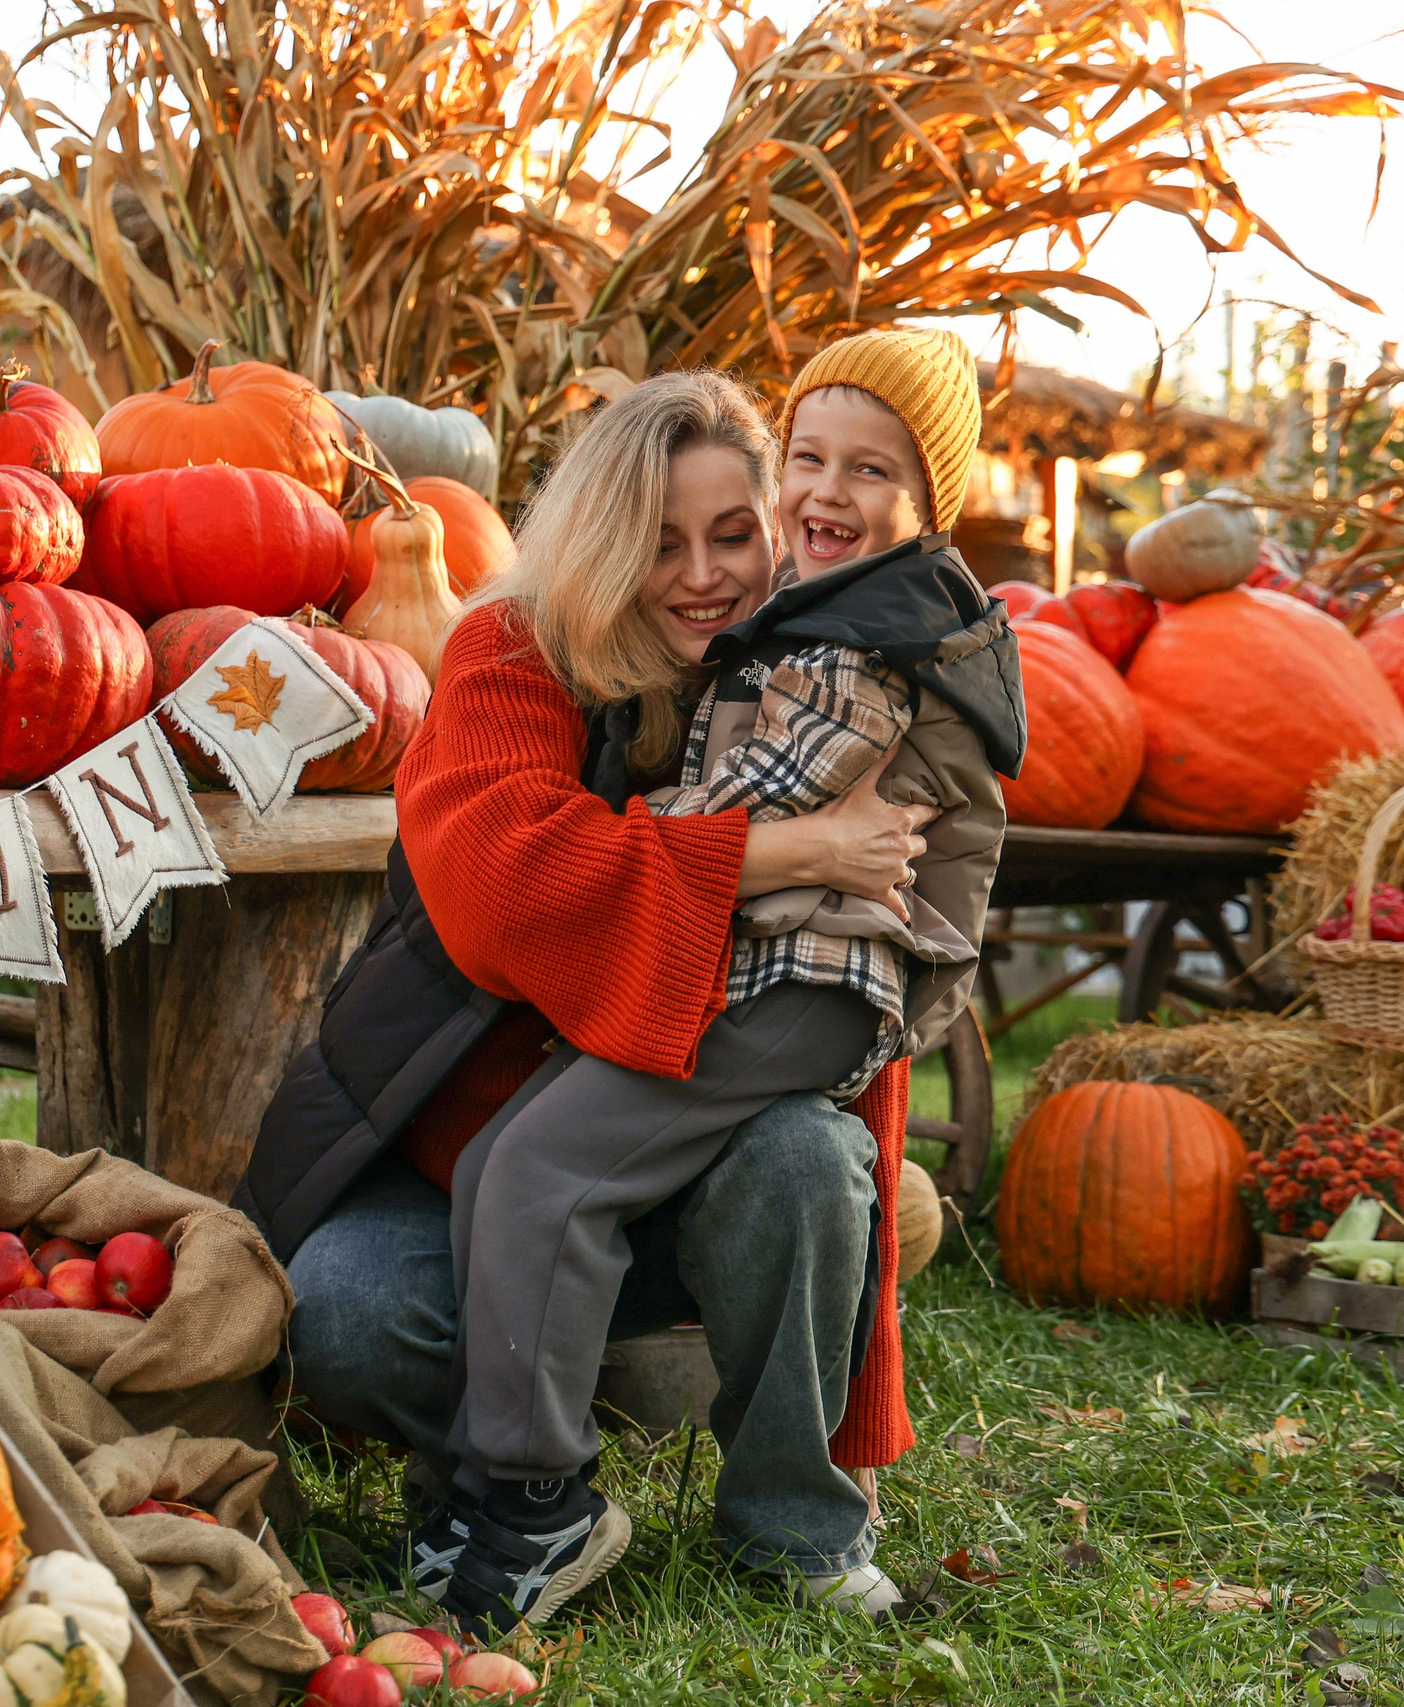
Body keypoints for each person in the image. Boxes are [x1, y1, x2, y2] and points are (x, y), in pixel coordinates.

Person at [236, 372, 945, 1632]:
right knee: (344, 1307)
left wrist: (843, 853)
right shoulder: (510, 651)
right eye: (660, 542)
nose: (702, 575)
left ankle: (793, 1522)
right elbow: (507, 883)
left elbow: (893, 891)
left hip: (686, 1163)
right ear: (600, 540)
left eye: (734, 535)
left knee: (809, 1161)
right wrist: (785, 854)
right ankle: (521, 1494)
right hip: (469, 1179)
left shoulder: (819, 674)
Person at [428, 327, 1023, 1635]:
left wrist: (688, 825)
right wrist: (774, 849)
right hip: (767, 967)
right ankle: (499, 1481)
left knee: (540, 1174)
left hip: (795, 983)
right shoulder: (560, 649)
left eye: (870, 469)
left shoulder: (868, 631)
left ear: (929, 502)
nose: (828, 491)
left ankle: (540, 1500)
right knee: (497, 1172)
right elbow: (531, 877)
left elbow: (776, 777)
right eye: (810, 455)